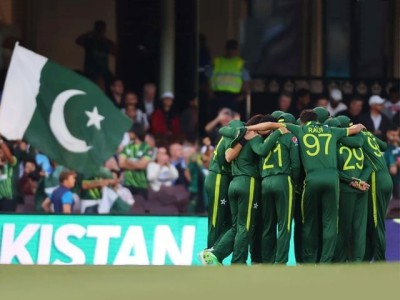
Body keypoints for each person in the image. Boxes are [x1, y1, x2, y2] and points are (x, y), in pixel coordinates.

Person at [245, 110, 365, 263]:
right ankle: (325, 262)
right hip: (332, 178)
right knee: (330, 222)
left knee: (308, 221)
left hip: (311, 179)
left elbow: (270, 125)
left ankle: (308, 261)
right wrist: (361, 126)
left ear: (302, 121)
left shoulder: (300, 129)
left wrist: (248, 128)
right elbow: (355, 129)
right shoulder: (332, 130)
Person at [256, 113, 301, 264]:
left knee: (268, 225)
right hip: (283, 180)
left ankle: (267, 260)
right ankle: (280, 262)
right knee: (284, 225)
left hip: (265, 182)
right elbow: (295, 164)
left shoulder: (264, 138)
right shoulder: (290, 137)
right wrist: (295, 182)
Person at [333, 115, 371, 262]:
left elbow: (333, 169)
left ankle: (341, 260)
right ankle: (358, 260)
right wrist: (361, 181)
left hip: (346, 189)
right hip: (362, 189)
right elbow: (369, 165)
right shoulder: (360, 144)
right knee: (360, 228)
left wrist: (352, 181)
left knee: (343, 227)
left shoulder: (336, 144)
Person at [209, 39, 250, 113]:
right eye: (230, 48)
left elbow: (246, 83)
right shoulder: (218, 62)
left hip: (233, 97)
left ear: (237, 50)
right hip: (218, 96)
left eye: (234, 48)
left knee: (232, 122)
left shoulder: (239, 63)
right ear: (226, 49)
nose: (231, 50)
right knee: (218, 120)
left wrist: (241, 96)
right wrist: (211, 94)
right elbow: (209, 79)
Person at [76, 20, 116, 84]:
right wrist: (89, 33)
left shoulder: (106, 42)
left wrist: (105, 40)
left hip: (104, 72)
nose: (100, 31)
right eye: (99, 29)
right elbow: (78, 41)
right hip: (91, 72)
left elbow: (115, 52)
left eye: (102, 29)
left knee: (113, 82)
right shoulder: (90, 41)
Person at [119, 124, 153, 200]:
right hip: (127, 184)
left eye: (130, 132)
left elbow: (142, 166)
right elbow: (121, 164)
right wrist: (136, 164)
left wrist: (128, 161)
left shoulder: (147, 148)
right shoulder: (127, 147)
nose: (128, 134)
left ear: (136, 133)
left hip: (141, 185)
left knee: (141, 209)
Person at [0, 138, 20, 212]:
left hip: (9, 199)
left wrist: (1, 142)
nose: (0, 151)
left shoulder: (12, 162)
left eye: (2, 150)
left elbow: (9, 157)